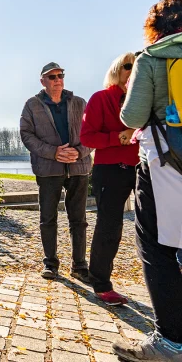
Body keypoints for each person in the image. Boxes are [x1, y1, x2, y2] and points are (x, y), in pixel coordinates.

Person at [113, 0, 182, 361]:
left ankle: (170, 343)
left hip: (165, 165)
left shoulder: (153, 57)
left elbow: (133, 116)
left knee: (157, 247)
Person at [20, 62, 93, 281]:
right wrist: (53, 153)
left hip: (78, 168)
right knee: (47, 218)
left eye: (60, 75)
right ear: (42, 81)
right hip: (48, 169)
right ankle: (50, 264)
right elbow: (26, 135)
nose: (57, 80)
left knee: (79, 219)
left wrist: (79, 152)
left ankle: (79, 266)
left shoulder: (80, 103)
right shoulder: (32, 105)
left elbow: (93, 132)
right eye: (52, 77)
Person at [80, 52, 139, 306]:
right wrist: (119, 137)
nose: (133, 70)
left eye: (138, 66)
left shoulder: (148, 100)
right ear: (117, 70)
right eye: (128, 66)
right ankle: (101, 284)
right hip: (110, 170)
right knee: (110, 226)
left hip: (144, 168)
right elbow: (87, 137)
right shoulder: (100, 98)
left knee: (155, 224)